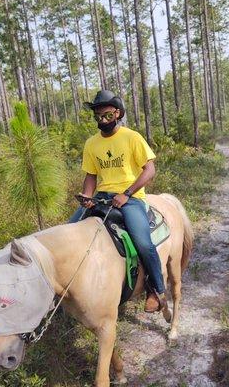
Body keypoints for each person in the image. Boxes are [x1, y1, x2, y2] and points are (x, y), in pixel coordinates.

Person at [70, 90, 167, 313]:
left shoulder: (132, 137)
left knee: (143, 242)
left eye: (107, 115)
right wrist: (86, 197)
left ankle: (157, 290)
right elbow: (91, 175)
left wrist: (128, 193)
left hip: (130, 198)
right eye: (98, 115)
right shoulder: (91, 144)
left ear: (117, 113)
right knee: (69, 231)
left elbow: (149, 169)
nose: (102, 120)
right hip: (101, 198)